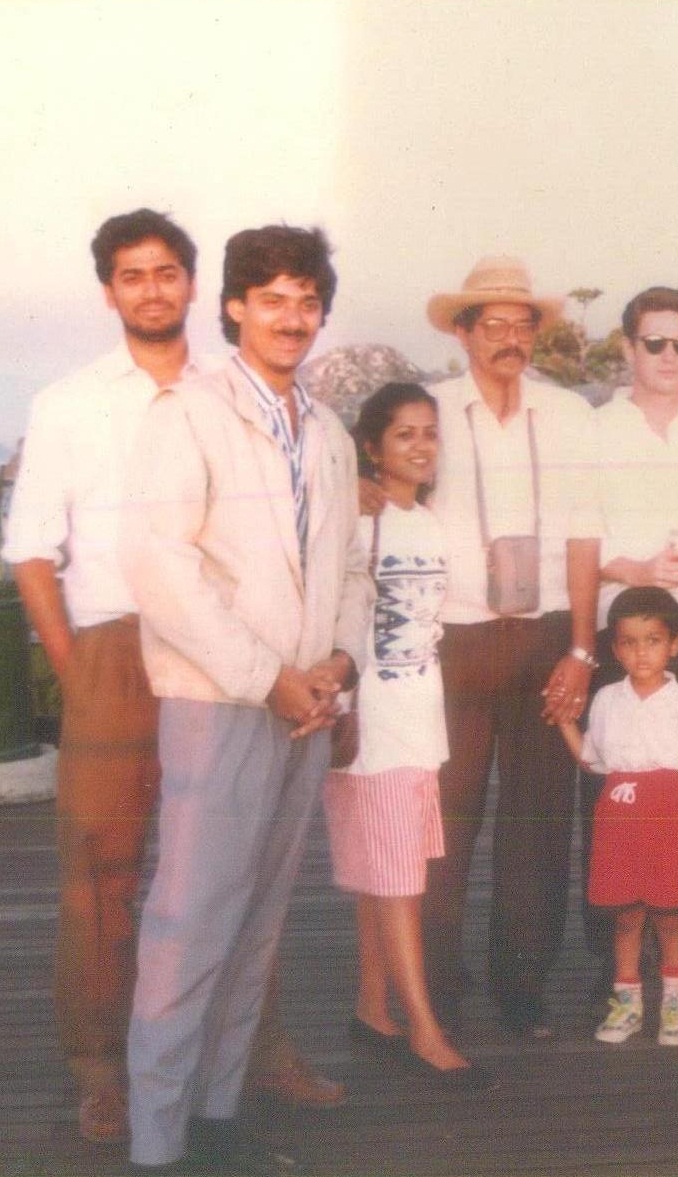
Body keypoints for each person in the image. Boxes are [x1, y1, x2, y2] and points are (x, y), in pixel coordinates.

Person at [3, 209, 345, 1146]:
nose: (151, 289)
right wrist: (76, 671)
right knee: (103, 872)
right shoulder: (70, 403)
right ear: (108, 291)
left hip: (230, 658)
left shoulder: (235, 390)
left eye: (166, 272)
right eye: (131, 275)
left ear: (197, 288)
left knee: (234, 874)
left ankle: (253, 1051)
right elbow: (31, 551)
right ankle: (101, 1071)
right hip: (116, 651)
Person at [120, 224, 370, 1172]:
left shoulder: (329, 431)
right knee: (188, 924)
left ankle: (218, 1112)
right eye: (272, 300)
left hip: (306, 710)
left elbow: (351, 567)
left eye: (307, 301)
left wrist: (336, 663)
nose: (292, 318)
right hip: (220, 704)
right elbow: (160, 566)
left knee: (258, 919)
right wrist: (268, 677)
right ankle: (156, 1141)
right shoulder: (186, 414)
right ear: (233, 307)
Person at [420, 255, 602, 1041]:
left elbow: (586, 535)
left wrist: (583, 650)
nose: (508, 338)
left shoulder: (569, 415)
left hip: (546, 636)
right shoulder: (429, 410)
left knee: (537, 819)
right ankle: (434, 983)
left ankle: (522, 982)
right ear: (463, 333)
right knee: (444, 819)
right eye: (491, 323)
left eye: (521, 324)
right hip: (452, 639)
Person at [323, 382, 492, 1093]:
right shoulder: (353, 521)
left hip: (420, 715)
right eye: (404, 434)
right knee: (397, 879)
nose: (422, 446)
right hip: (371, 720)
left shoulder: (428, 521)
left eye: (430, 432)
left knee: (388, 868)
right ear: (371, 447)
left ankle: (373, 1008)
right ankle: (424, 1029)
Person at [585, 286, 678, 1015]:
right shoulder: (598, 430)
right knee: (616, 797)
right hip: (624, 624)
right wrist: (637, 569)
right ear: (628, 348)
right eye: (654, 343)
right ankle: (615, 969)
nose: (669, 356)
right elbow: (579, 534)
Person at [561, 586, 678, 1048]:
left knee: (670, 917)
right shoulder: (606, 699)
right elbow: (593, 762)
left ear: (674, 645)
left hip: (669, 817)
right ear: (615, 650)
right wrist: (565, 721)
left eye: (653, 641)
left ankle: (674, 1006)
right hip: (618, 820)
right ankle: (628, 1006)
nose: (641, 652)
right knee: (626, 915)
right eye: (629, 643)